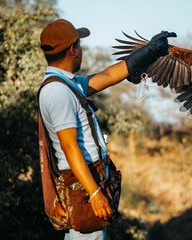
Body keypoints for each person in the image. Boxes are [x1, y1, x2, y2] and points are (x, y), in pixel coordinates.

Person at [38, 19, 176, 240]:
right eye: (80, 45)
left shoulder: (66, 84)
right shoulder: (58, 92)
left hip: (86, 182)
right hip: (82, 187)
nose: (81, 50)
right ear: (73, 50)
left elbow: (108, 76)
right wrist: (94, 193)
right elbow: (69, 146)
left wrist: (149, 51)